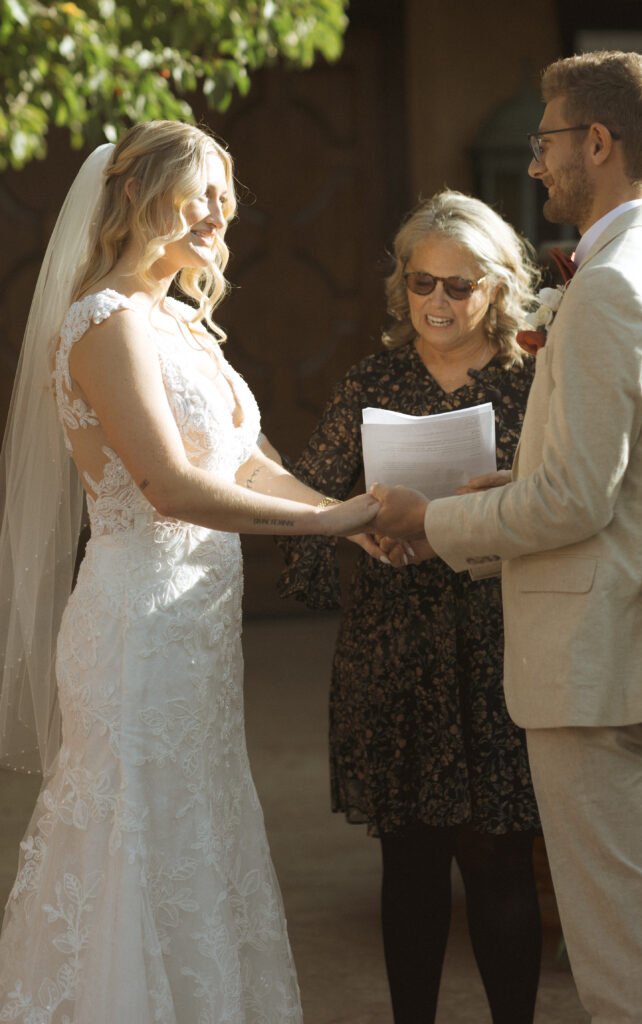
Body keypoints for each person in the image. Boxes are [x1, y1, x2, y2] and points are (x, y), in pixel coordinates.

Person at [370, 52, 642, 1024]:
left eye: (548, 140)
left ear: (597, 143)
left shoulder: (610, 286)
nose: (534, 165)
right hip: (626, 639)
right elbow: (598, 480)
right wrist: (510, 490)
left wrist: (431, 519)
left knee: (616, 937)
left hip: (594, 650)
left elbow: (573, 502)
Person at [0, 120, 379, 1023]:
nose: (221, 210)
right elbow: (170, 487)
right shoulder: (104, 322)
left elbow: (245, 463)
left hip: (198, 633)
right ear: (137, 196)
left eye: (226, 193)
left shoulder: (179, 322)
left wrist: (352, 521)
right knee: (133, 829)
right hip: (138, 628)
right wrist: (331, 522)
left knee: (197, 823)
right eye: (200, 190)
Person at [277, 190, 543, 1024]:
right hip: (394, 646)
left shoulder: (533, 379)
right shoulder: (373, 378)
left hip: (499, 635)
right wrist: (358, 530)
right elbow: (312, 495)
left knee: (499, 859)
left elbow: (568, 504)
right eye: (421, 283)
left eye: (457, 287)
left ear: (496, 288)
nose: (435, 302)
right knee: (411, 863)